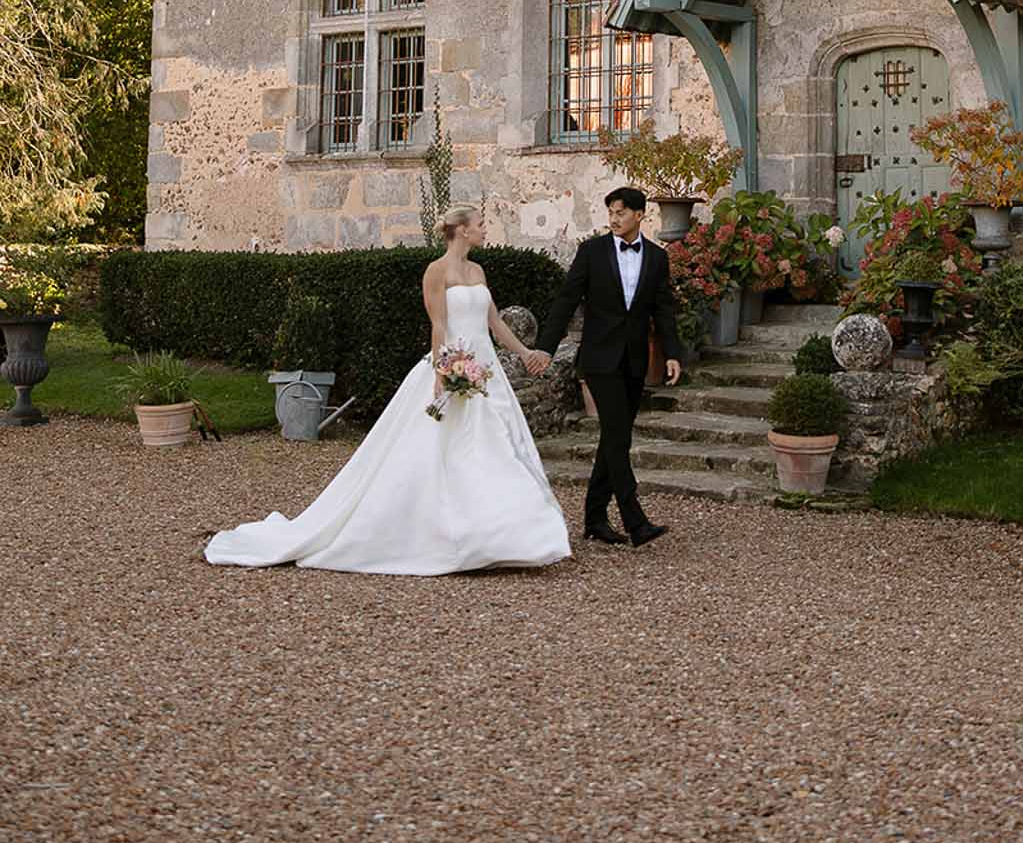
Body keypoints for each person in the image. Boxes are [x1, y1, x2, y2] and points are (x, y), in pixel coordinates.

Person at [204, 206, 571, 575]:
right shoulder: (436, 271)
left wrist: (525, 353)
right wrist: (442, 371)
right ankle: (445, 535)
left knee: (496, 447)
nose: (485, 229)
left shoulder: (478, 271)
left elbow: (494, 323)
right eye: (480, 224)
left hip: (485, 371)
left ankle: (509, 535)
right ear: (462, 230)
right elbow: (438, 324)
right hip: (454, 364)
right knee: (443, 451)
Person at [526, 185, 681, 548]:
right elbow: (566, 300)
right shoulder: (591, 252)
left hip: (635, 361)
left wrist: (673, 353)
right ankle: (635, 520)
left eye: (621, 213)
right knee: (616, 435)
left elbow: (664, 310)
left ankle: (595, 518)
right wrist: (546, 347)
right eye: (611, 212)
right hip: (598, 359)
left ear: (639, 215)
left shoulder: (657, 258)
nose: (614, 219)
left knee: (616, 438)